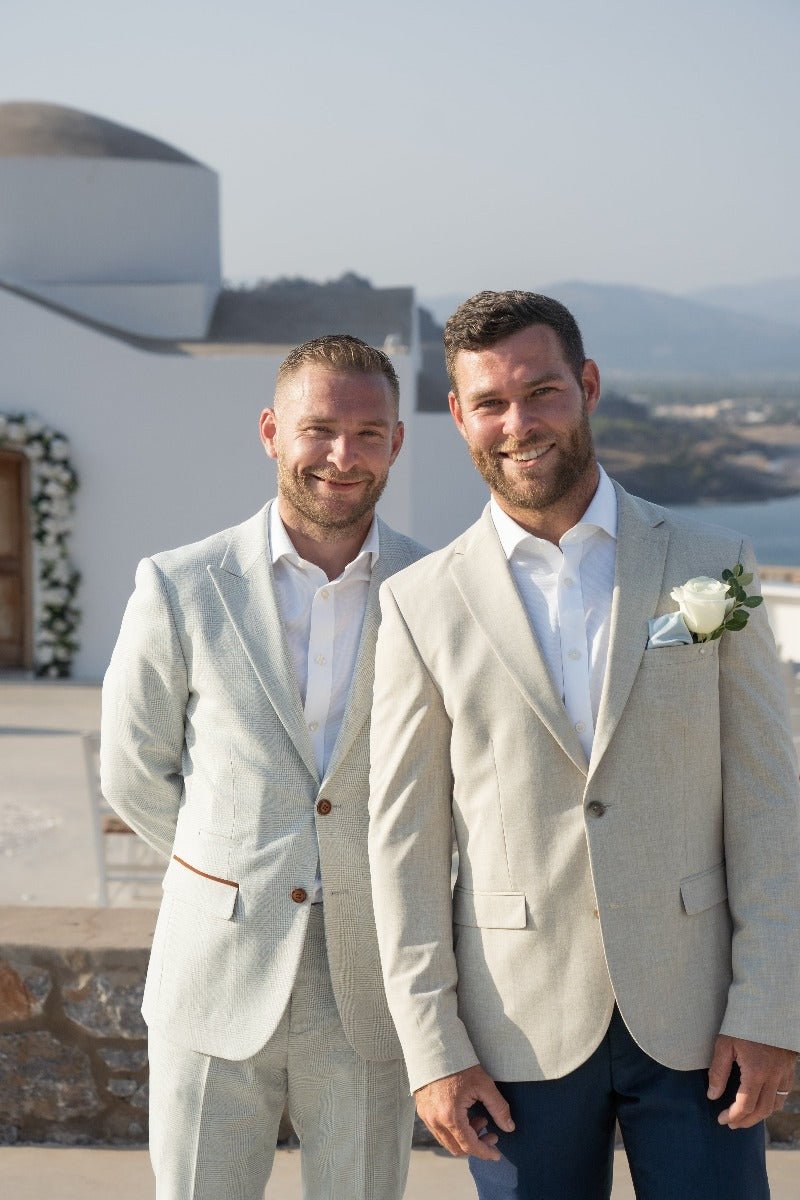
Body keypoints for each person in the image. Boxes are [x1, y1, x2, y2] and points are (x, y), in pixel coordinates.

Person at [367, 291, 800, 1200]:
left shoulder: (713, 564)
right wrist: (433, 1048)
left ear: (588, 386)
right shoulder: (419, 603)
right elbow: (404, 843)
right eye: (490, 403)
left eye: (542, 392)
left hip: (700, 1021)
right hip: (513, 1032)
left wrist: (770, 1006)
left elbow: (770, 802)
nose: (518, 424)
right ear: (458, 416)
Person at [101, 334, 425, 1200]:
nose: (342, 455)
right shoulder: (180, 585)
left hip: (371, 984)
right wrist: (232, 869)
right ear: (272, 432)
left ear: (397, 442)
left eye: (368, 433)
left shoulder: (438, 589)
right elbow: (133, 770)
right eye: (319, 429)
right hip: (214, 969)